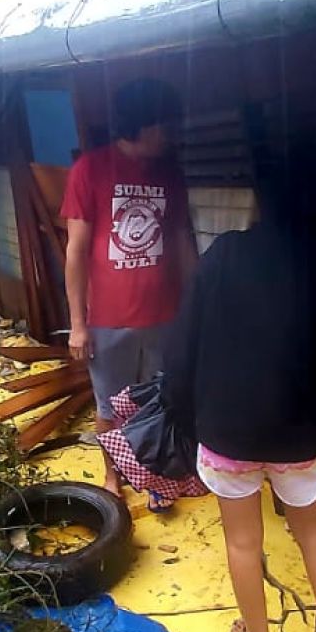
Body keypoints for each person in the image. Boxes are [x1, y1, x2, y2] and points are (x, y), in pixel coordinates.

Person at [162, 157, 316, 632]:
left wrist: (185, 416)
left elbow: (182, 348)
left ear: (262, 200)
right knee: (315, 534)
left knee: (243, 543)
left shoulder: (225, 254)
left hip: (227, 432)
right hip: (299, 432)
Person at [61, 78, 196, 500]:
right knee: (109, 405)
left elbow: (180, 241)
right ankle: (112, 477)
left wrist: (197, 305)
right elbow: (76, 251)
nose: (172, 132)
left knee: (161, 403)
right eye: (164, 124)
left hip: (165, 313)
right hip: (108, 319)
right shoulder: (90, 169)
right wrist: (78, 325)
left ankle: (156, 477)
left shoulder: (170, 172)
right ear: (140, 124)